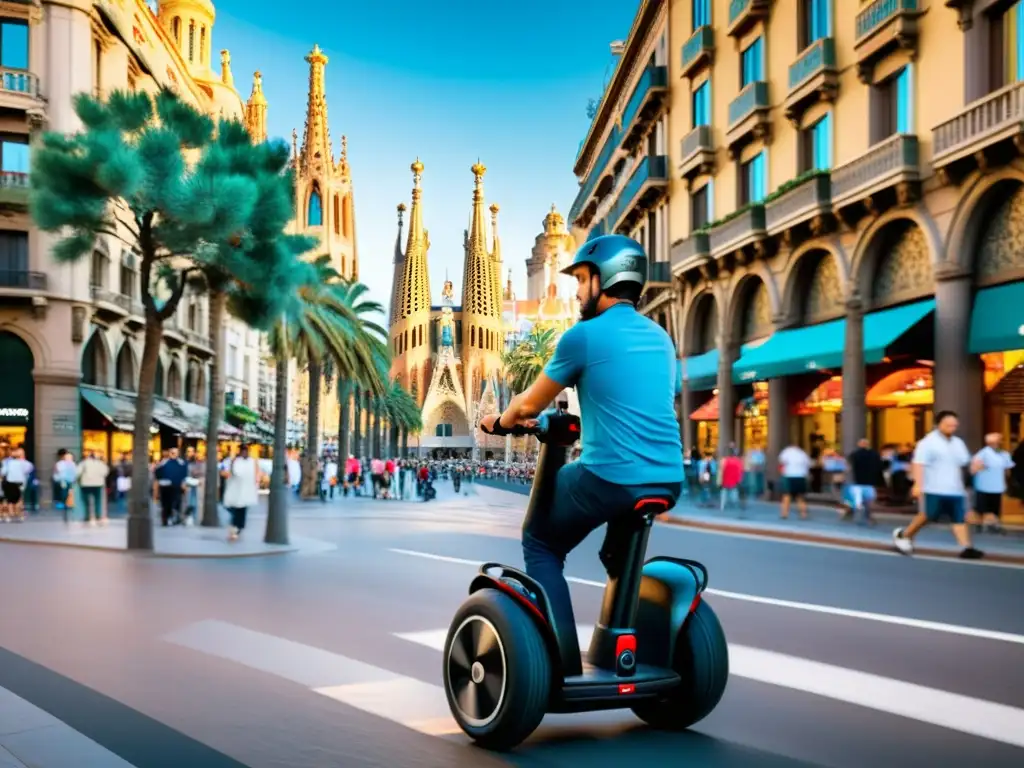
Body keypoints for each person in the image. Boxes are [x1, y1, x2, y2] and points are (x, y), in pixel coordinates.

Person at [480, 234, 683, 648]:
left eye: (582, 279)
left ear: (603, 279)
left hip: (610, 476)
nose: (576, 290)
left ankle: (560, 656)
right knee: (617, 555)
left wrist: (498, 422)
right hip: (668, 478)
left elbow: (527, 406)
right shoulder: (662, 338)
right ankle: (618, 650)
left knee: (540, 541)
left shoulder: (583, 336)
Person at [893, 410, 983, 559]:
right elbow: (918, 464)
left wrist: (975, 467)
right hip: (933, 487)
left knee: (958, 518)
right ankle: (904, 534)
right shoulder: (927, 443)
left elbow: (965, 461)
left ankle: (967, 547)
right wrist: (917, 484)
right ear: (938, 424)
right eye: (948, 425)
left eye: (954, 425)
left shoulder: (958, 443)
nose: (952, 428)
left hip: (955, 488)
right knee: (928, 515)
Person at [222, 444, 259, 541]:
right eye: (243, 450)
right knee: (235, 508)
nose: (244, 452)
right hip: (236, 490)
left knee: (242, 510)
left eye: (245, 450)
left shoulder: (251, 461)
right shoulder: (236, 461)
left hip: (245, 491)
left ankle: (237, 528)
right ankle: (236, 527)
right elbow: (235, 472)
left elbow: (254, 474)